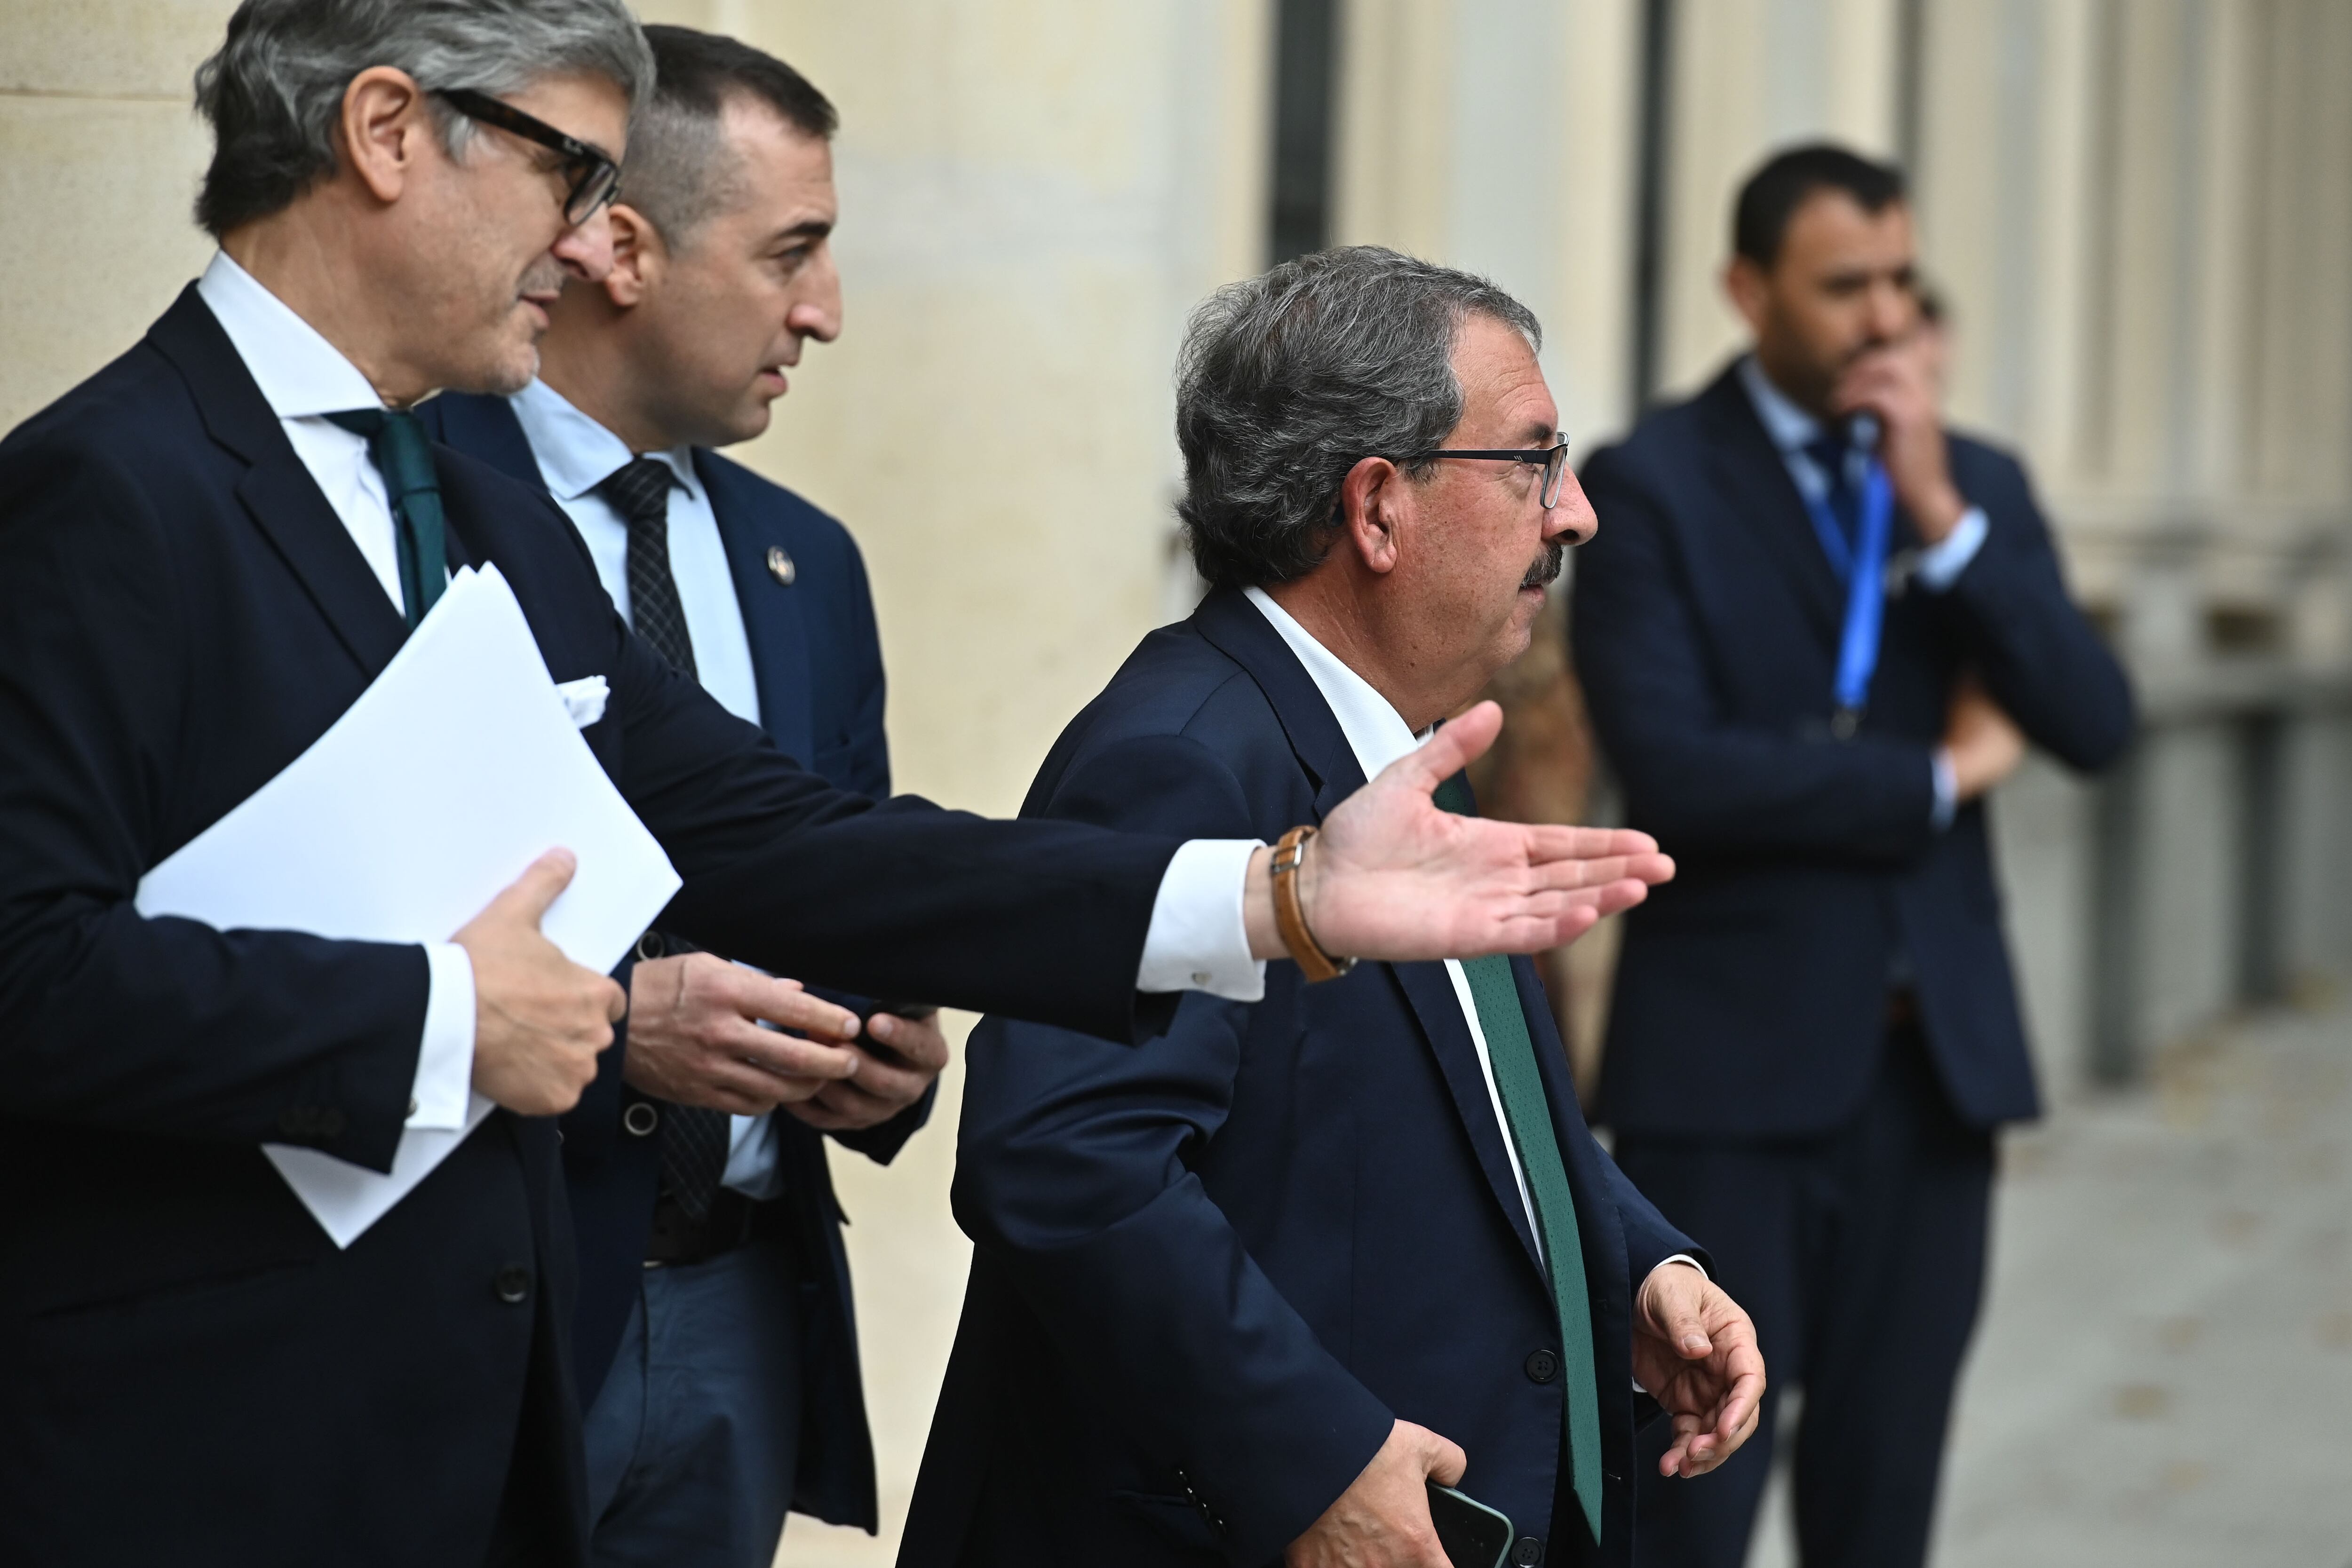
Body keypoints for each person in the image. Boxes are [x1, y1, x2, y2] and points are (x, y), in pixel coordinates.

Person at [0, 3, 1676, 1563]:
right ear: (384, 132)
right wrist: (443, 1020)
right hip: (197, 1440)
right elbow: (27, 972)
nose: (594, 244)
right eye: (571, 174)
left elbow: (765, 833)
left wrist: (1271, 894)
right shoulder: (101, 488)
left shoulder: (468, 499)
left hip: (461, 1432)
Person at [900, 247, 1765, 1568]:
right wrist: (1309, 1460)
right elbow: (1067, 1162)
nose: (1576, 511)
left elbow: (1482, 1117)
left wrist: (1641, 1268)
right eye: (1532, 461)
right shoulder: (1186, 757)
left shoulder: (1411, 744)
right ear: (1376, 508)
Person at [1571, 144, 2136, 1568]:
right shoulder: (1651, 488)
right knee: (1687, 1514)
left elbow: (2094, 719)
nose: (1887, 319)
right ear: (1746, 290)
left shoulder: (1973, 485)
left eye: (1899, 279)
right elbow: (1680, 774)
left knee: (1884, 1509)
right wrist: (1935, 777)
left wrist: (1946, 525)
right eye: (1844, 288)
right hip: (1728, 1084)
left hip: (1933, 1083)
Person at [423, 27, 941, 1563]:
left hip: (740, 1312)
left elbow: (840, 880)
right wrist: (616, 1024)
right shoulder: (405, 498)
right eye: (794, 252)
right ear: (619, 248)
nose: (825, 314)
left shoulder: (812, 564)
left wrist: (890, 1058)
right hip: (485, 1306)